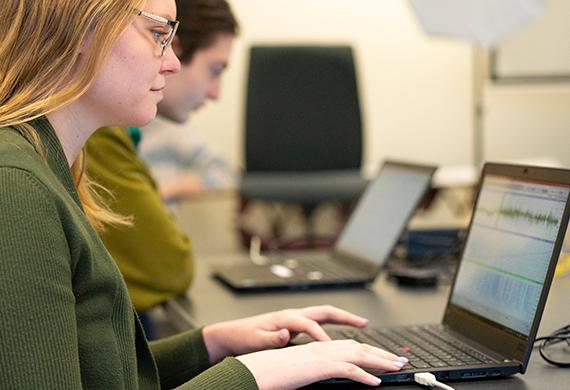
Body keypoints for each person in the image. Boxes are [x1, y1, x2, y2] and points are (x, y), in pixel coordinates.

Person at [0, 0, 408, 388]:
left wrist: (212, 343)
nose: (173, 61)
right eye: (158, 32)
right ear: (81, 27)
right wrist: (252, 376)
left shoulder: (42, 166)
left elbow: (100, 375)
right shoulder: (16, 185)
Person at [84, 0, 239, 327]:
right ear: (88, 34)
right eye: (158, 36)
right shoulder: (94, 135)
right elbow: (168, 267)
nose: (170, 63)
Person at [138, 0, 238, 204]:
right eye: (215, 70)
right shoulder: (110, 134)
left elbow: (226, 172)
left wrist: (159, 192)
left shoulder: (170, 131)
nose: (216, 94)